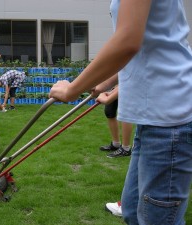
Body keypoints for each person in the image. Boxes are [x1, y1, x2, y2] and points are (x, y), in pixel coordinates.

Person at [49, 1, 192, 224]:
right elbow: (145, 43)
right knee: (133, 212)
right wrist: (105, 82)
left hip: (169, 118)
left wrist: (71, 90)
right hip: (153, 118)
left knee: (157, 219)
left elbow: (128, 41)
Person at [95, 85, 133, 158]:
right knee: (109, 112)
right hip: (117, 84)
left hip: (127, 85)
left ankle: (126, 149)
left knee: (125, 113)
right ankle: (116, 144)